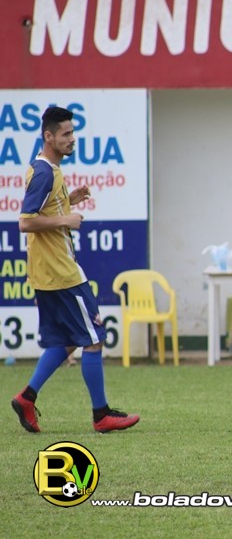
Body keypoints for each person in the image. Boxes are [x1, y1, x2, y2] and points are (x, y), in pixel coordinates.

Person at [11, 106, 140, 434]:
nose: (72, 139)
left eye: (73, 133)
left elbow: (43, 211)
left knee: (68, 340)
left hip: (46, 273)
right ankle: (101, 415)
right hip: (62, 272)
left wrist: (69, 200)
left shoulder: (45, 169)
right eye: (66, 134)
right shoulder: (45, 173)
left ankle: (26, 398)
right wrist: (66, 219)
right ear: (48, 136)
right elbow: (26, 222)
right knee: (94, 338)